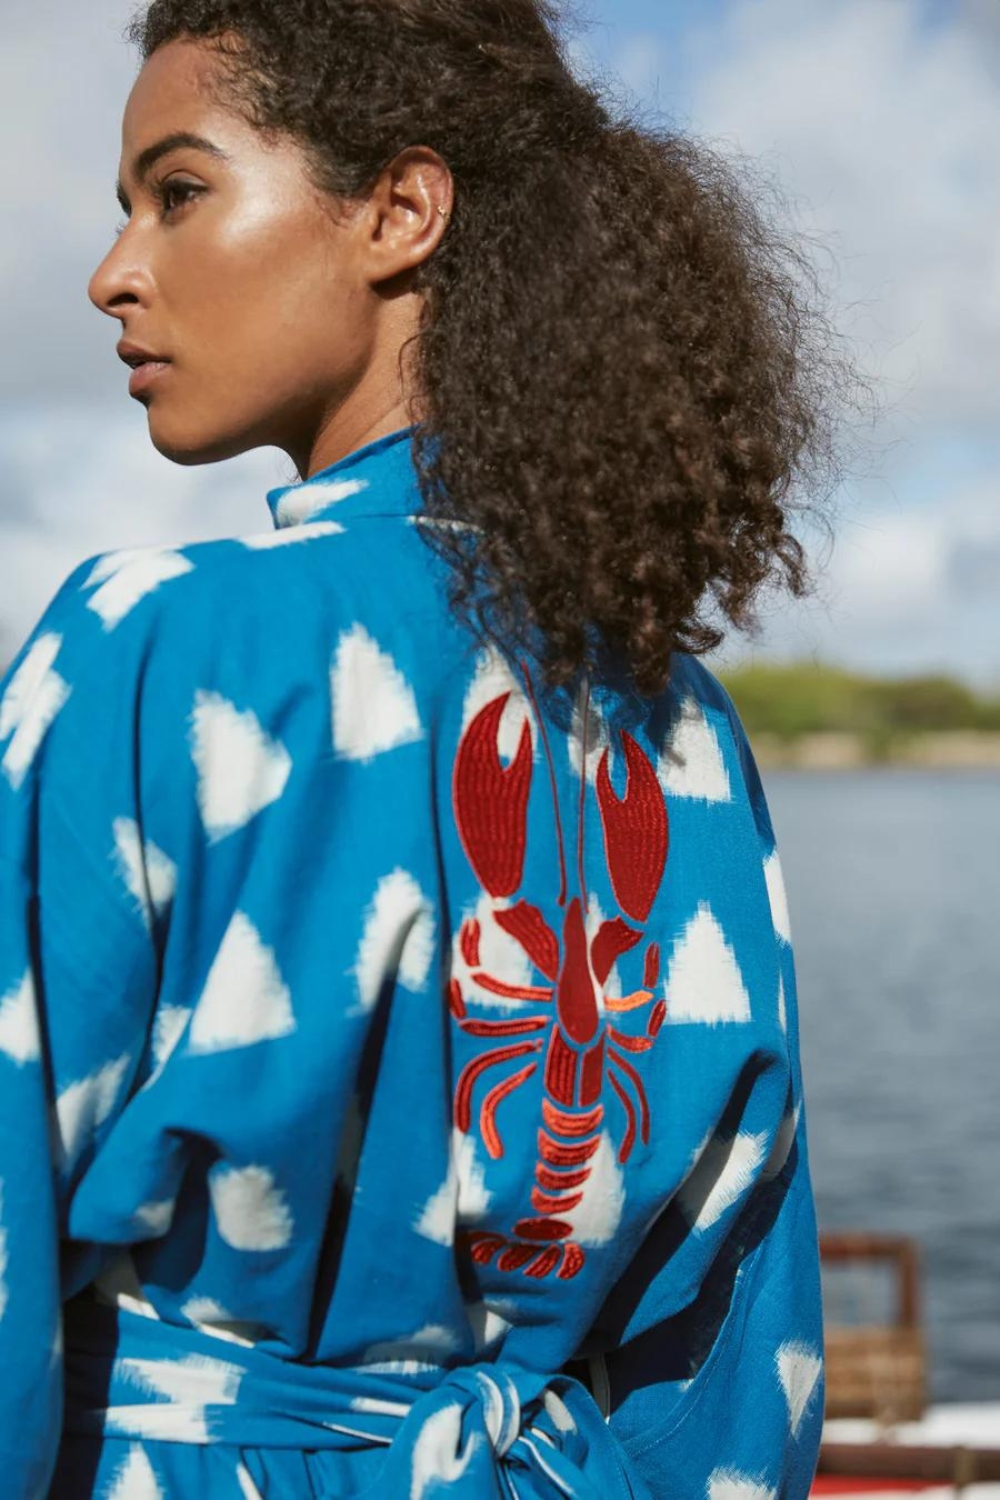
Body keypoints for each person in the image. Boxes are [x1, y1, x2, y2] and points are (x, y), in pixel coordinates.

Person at [0, 2, 859, 1494]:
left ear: (400, 211)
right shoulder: (683, 722)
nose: (113, 271)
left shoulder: (159, 642)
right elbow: (738, 1350)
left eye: (178, 192)